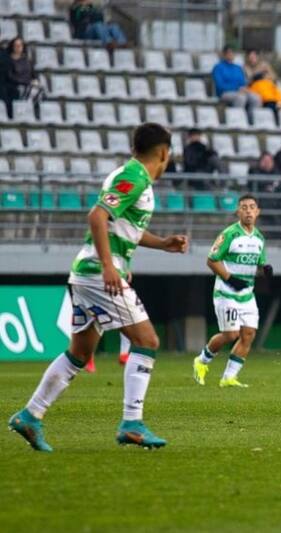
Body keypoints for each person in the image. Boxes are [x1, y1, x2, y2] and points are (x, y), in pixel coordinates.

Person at [8, 122, 188, 452]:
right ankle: (132, 422)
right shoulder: (133, 177)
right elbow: (97, 216)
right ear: (164, 153)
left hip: (86, 274)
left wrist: (162, 243)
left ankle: (30, 415)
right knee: (147, 340)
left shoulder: (134, 177)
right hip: (98, 274)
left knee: (79, 353)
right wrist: (109, 266)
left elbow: (122, 227)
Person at [193, 195, 271, 388]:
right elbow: (212, 260)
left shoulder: (260, 238)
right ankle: (201, 361)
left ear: (258, 212)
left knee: (249, 334)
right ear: (238, 212)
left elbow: (259, 265)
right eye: (244, 207)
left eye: (252, 207)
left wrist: (266, 271)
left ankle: (229, 377)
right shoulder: (229, 234)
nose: (248, 211)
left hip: (247, 295)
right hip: (226, 294)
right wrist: (230, 278)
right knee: (230, 335)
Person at [212, 46, 261, 124]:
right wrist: (237, 88)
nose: (231, 55)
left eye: (232, 53)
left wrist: (244, 88)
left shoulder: (238, 68)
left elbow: (243, 83)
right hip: (224, 93)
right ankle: (237, 121)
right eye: (229, 53)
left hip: (240, 91)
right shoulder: (218, 67)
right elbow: (220, 86)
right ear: (224, 55)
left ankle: (251, 122)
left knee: (256, 98)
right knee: (241, 98)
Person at [4, 37, 43, 111]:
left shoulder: (27, 60)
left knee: (39, 90)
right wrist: (28, 82)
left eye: (20, 45)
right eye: (16, 45)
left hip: (29, 86)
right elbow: (10, 77)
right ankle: (25, 109)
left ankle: (33, 110)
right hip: (15, 86)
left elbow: (34, 74)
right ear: (12, 46)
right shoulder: (7, 61)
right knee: (30, 91)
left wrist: (36, 80)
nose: (18, 47)